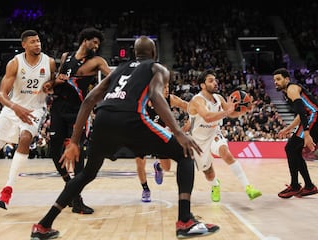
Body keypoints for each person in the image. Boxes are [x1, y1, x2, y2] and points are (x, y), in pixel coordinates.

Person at [30, 36, 220, 239]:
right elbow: (156, 97)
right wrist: (180, 133)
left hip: (103, 119)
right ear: (154, 54)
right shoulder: (158, 68)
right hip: (132, 117)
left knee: (86, 174)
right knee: (184, 154)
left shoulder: (119, 69)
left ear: (134, 53)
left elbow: (88, 100)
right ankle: (185, 221)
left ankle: (43, 225)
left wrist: (74, 142)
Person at [0, 29, 56, 211]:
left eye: (38, 41)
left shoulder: (50, 62)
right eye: (32, 42)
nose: (37, 44)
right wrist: (16, 108)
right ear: (24, 45)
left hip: (35, 110)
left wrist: (51, 85)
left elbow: (53, 85)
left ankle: (8, 190)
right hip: (13, 108)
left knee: (25, 139)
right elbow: (1, 95)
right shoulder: (15, 63)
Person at [44, 27, 111, 214]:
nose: (96, 46)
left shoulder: (97, 61)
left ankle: (77, 199)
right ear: (85, 40)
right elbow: (56, 80)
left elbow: (112, 77)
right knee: (54, 151)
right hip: (58, 108)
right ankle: (70, 188)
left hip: (78, 111)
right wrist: (52, 83)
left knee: (78, 155)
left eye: (98, 43)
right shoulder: (66, 56)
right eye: (94, 42)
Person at [187, 69, 262, 202]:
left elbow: (231, 112)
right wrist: (227, 112)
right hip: (198, 140)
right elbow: (208, 117)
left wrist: (244, 110)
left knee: (225, 153)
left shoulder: (218, 98)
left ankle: (248, 188)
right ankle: (215, 185)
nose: (215, 83)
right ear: (202, 85)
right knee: (208, 172)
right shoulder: (197, 100)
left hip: (214, 133)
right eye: (211, 81)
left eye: (215, 80)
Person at [136, 82, 189, 202]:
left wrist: (188, 125)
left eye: (168, 87)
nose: (166, 90)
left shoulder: (171, 99)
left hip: (161, 136)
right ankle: (145, 189)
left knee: (167, 168)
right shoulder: (143, 100)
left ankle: (158, 167)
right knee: (140, 162)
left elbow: (190, 107)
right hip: (144, 135)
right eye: (164, 87)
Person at [273, 68, 318, 198]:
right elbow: (302, 112)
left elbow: (305, 113)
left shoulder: (292, 89)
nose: (276, 82)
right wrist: (288, 129)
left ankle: (296, 186)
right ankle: (308, 186)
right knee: (293, 150)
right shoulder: (290, 91)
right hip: (312, 117)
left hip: (314, 118)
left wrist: (307, 134)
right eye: (274, 80)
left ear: (287, 79)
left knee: (290, 148)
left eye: (278, 79)